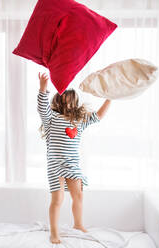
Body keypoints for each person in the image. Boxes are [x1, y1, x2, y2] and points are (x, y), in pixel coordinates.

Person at [37, 72, 111, 244]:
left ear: (75, 102)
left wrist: (109, 99)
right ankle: (54, 233)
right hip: (55, 166)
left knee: (78, 195)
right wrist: (43, 88)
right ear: (60, 100)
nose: (69, 101)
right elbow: (42, 107)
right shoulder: (51, 118)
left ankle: (78, 224)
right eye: (66, 98)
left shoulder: (79, 120)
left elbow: (98, 116)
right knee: (58, 199)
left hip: (72, 165)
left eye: (72, 99)